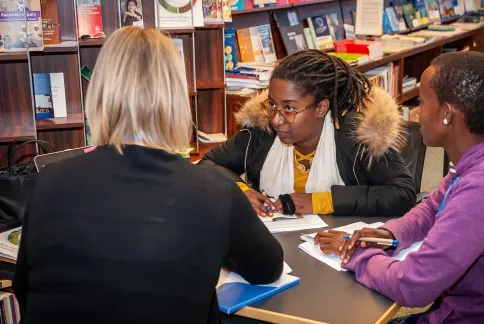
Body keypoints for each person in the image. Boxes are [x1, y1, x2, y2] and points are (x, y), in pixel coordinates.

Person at [14, 27, 283, 324]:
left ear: (100, 93)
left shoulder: (50, 181)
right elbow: (268, 268)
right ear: (176, 97)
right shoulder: (213, 191)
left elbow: (25, 289)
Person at [315, 52, 484, 323]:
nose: (417, 112)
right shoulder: (482, 152)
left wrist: (356, 254)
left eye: (421, 101)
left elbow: (413, 285)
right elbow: (432, 208)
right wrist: (386, 235)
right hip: (465, 309)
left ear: (446, 114)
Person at [200, 50, 416, 217]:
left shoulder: (357, 134)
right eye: (273, 105)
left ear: (321, 108)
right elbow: (209, 164)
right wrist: (242, 191)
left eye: (290, 109)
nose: (276, 119)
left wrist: (324, 201)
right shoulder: (261, 130)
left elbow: (403, 193)